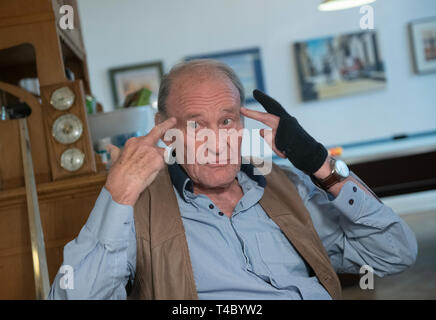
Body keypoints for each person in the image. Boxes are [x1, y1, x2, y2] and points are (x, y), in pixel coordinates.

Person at [49, 60, 417, 300]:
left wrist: (321, 164)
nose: (216, 142)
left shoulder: (289, 186)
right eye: (196, 125)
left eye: (226, 121)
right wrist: (118, 196)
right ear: (166, 131)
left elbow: (395, 254)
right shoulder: (138, 209)